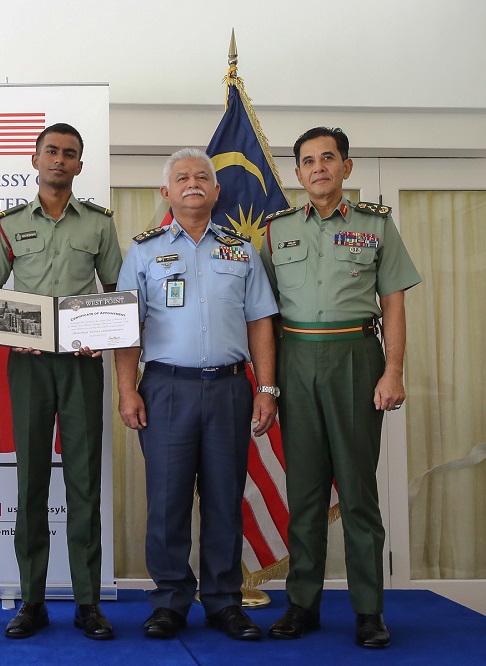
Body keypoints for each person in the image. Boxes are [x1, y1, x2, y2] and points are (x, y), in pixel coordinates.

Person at [260, 127, 421, 649]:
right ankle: (301, 604)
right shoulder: (277, 230)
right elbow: (260, 311)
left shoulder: (375, 226)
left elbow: (393, 302)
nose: (318, 168)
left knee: (357, 492)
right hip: (296, 358)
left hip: (355, 355)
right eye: (308, 161)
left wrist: (392, 370)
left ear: (346, 168)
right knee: (303, 492)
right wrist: (266, 382)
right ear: (299, 173)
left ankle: (369, 610)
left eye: (328, 158)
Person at [115, 148, 278, 641]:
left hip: (231, 388)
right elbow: (127, 328)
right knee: (166, 502)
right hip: (166, 389)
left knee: (226, 499)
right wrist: (127, 391)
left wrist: (266, 389)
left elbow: (260, 324)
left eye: (201, 177)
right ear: (165, 192)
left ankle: (225, 602)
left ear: (216, 190)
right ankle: (169, 602)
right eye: (181, 177)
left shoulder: (241, 250)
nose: (192, 183)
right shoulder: (144, 251)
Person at [0, 123, 123, 640]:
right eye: (51, 152)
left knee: (84, 480)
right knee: (31, 480)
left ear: (80, 165)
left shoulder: (100, 225)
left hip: (83, 362)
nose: (59, 161)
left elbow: (116, 290)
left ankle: (88, 602)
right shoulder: (9, 225)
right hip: (29, 363)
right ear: (36, 160)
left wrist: (104, 331)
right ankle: (33, 599)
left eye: (69, 154)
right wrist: (8, 333)